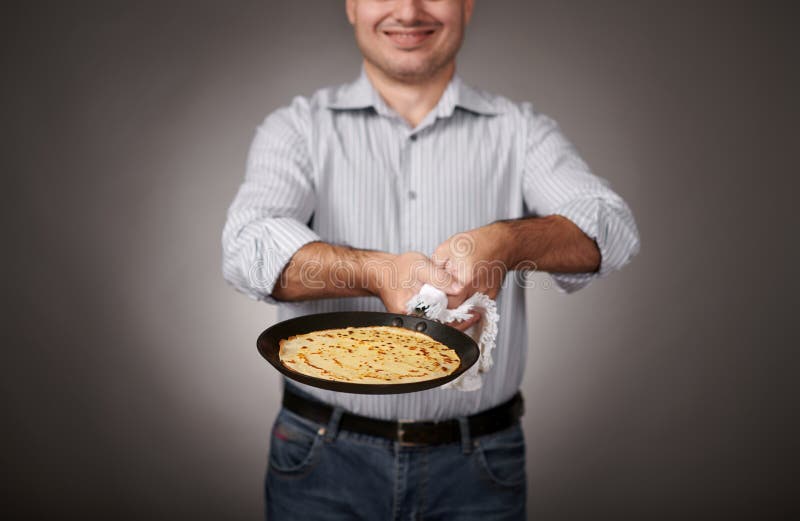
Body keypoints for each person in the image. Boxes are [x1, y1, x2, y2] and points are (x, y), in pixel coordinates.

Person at [222, 0, 640, 519]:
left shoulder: (521, 131)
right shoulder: (298, 128)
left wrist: (509, 242)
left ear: (468, 5)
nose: (409, 9)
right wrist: (377, 272)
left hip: (480, 464)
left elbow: (611, 228)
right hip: (321, 459)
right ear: (351, 5)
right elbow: (247, 246)